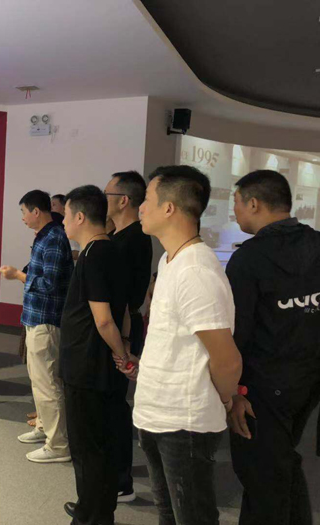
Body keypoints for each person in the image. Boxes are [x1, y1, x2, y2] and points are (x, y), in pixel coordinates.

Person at [133, 165, 243, 525]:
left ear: (169, 208)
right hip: (156, 412)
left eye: (147, 199)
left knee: (192, 517)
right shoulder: (170, 260)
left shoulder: (196, 271)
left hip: (185, 421)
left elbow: (226, 359)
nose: (140, 207)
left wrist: (224, 400)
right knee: (168, 513)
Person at [226, 170, 320, 525]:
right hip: (307, 381)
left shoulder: (248, 259)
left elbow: (237, 333)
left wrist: (233, 391)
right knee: (280, 463)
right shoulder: (317, 244)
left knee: (261, 475)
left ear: (254, 203)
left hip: (262, 388)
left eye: (236, 203)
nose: (235, 211)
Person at [59, 185, 133, 525]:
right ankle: (95, 510)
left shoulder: (95, 254)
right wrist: (124, 346)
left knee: (88, 448)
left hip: (88, 367)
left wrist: (122, 355)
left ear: (79, 216)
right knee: (101, 443)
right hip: (97, 366)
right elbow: (125, 310)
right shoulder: (110, 250)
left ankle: (91, 516)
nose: (63, 222)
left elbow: (104, 320)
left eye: (65, 215)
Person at [0, 189, 73, 463]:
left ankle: (58, 445)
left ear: (36, 211)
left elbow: (50, 284)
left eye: (23, 212)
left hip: (47, 320)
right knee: (39, 379)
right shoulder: (44, 236)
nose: (22, 218)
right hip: (35, 318)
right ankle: (44, 428)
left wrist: (18, 275)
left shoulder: (53, 238)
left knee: (48, 384)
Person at [104, 170, 152, 503]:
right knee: (108, 401)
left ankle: (121, 480)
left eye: (107, 194)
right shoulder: (119, 235)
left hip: (122, 330)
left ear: (123, 200)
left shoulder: (133, 238)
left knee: (114, 403)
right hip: (118, 327)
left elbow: (124, 298)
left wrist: (123, 343)